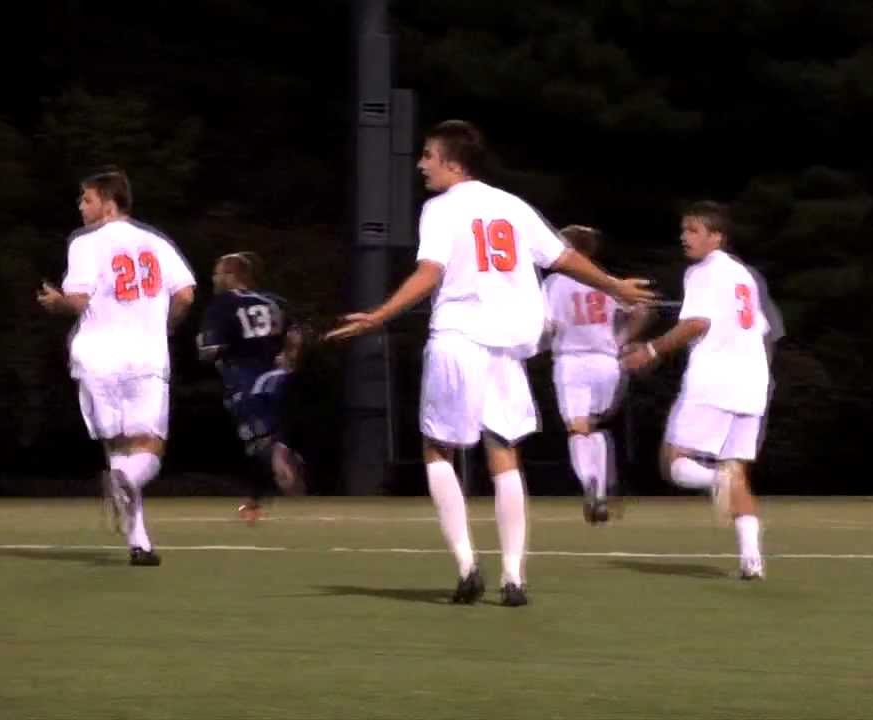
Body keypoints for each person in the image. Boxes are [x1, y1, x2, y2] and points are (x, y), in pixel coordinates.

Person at [326, 120, 655, 606]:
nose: (421, 164)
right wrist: (614, 285)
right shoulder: (511, 205)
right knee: (504, 455)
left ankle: (466, 567)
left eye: (428, 155)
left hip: (459, 336)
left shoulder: (440, 208)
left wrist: (380, 315)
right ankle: (514, 577)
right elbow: (561, 258)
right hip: (506, 344)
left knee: (438, 451)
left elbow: (430, 271)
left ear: (453, 163)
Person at [37, 166, 196, 566]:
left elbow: (77, 300)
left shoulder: (85, 243)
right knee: (148, 448)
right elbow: (187, 295)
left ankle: (139, 543)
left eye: (86, 198)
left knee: (119, 450)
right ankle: (132, 509)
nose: (80, 205)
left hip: (97, 355)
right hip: (145, 355)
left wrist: (57, 303)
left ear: (108, 204)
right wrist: (164, 325)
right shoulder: (156, 242)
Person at [622, 201, 778, 580]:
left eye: (693, 230)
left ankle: (716, 481)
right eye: (684, 229)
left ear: (717, 237)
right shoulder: (742, 275)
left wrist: (652, 349)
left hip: (715, 379)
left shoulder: (703, 272)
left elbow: (696, 323)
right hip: (752, 382)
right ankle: (751, 560)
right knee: (735, 469)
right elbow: (759, 329)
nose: (684, 236)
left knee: (673, 463)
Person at [541, 224, 651, 523]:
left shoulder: (555, 283)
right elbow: (642, 310)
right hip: (606, 362)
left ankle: (590, 481)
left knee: (578, 428)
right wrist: (622, 339)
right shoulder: (608, 281)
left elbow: (546, 326)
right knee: (594, 426)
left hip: (571, 361)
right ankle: (599, 488)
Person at [197, 251, 305, 522]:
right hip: (278, 379)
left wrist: (208, 349)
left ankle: (277, 461)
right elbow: (297, 331)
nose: (214, 277)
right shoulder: (274, 301)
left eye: (218, 272)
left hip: (246, 382)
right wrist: (290, 357)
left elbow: (210, 350)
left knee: (258, 444)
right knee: (267, 438)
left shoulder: (222, 304)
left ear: (233, 276)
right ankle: (255, 501)